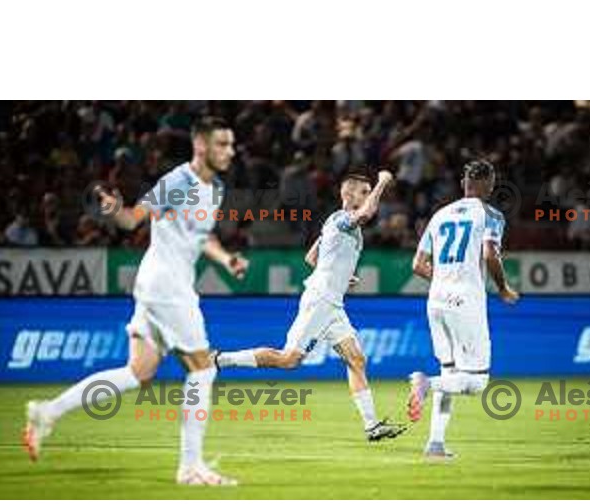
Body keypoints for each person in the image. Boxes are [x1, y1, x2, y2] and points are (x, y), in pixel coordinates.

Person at [23, 117, 248, 486]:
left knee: (137, 373)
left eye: (231, 144)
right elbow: (132, 220)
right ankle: (190, 468)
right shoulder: (178, 182)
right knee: (203, 369)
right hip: (167, 286)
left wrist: (226, 259)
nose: (230, 151)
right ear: (201, 146)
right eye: (222, 144)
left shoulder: (216, 188)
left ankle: (48, 411)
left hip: (160, 286)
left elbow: (199, 237)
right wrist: (116, 211)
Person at [215, 171, 407, 442]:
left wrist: (340, 275)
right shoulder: (343, 219)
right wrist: (383, 183)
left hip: (333, 303)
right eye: (363, 192)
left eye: (368, 192)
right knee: (288, 360)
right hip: (320, 300)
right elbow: (365, 214)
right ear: (348, 195)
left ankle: (372, 426)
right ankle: (220, 360)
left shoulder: (333, 222)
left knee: (356, 359)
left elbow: (311, 257)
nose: (367, 196)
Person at [409, 159, 519, 459]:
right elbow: (490, 254)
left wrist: (444, 278)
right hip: (466, 301)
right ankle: (425, 383)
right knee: (477, 382)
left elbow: (417, 265)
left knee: (451, 373)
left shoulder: (439, 215)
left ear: (463, 184)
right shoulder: (490, 214)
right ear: (490, 185)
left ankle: (435, 444)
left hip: (436, 301)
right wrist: (503, 288)